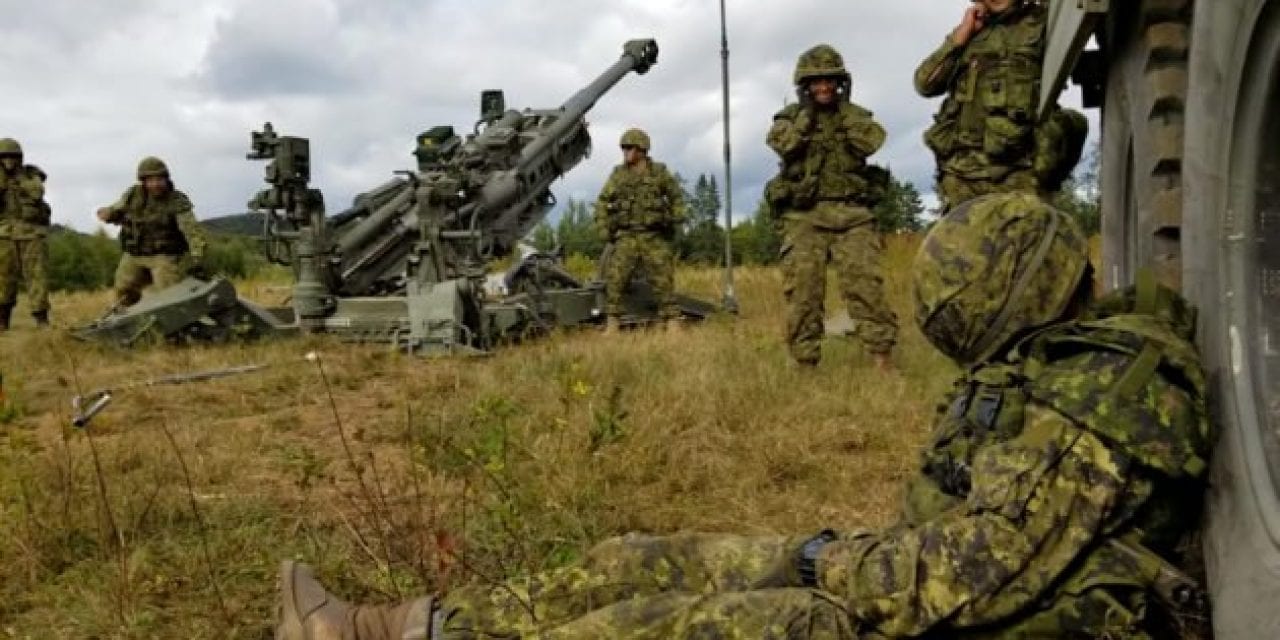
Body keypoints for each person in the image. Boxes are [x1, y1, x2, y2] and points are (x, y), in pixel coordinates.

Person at [275, 192, 1214, 639]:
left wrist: (821, 562)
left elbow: (960, 583)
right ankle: (393, 629)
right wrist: (826, 553)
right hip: (929, 588)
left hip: (969, 611)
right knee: (635, 558)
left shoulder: (1108, 391)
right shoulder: (1057, 362)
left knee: (708, 620)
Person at [765, 44, 897, 369]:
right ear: (805, 86)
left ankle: (882, 358)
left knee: (866, 287)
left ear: (840, 83)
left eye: (829, 80)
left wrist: (845, 113)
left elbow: (870, 142)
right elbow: (784, 146)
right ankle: (805, 362)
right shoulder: (790, 119)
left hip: (853, 215)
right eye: (816, 81)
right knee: (804, 294)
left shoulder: (855, 116)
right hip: (805, 217)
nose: (823, 87)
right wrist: (807, 117)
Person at [915, 0, 1089, 211]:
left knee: (1030, 240)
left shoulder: (1043, 21)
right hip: (962, 178)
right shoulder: (969, 34)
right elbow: (925, 84)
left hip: (1019, 175)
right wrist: (958, 39)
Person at [593, 128, 685, 332]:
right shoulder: (618, 175)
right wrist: (603, 228)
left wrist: (676, 216)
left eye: (629, 148)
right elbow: (602, 202)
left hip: (653, 235)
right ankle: (612, 323)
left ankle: (671, 320)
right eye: (623, 148)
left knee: (663, 278)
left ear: (642, 150)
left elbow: (676, 196)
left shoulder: (659, 172)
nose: (625, 152)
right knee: (615, 279)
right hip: (626, 236)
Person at [96, 156, 208, 309]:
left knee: (170, 296)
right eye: (150, 180)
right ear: (143, 181)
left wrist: (198, 257)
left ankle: (176, 327)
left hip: (164, 256)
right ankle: (125, 321)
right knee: (123, 290)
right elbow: (117, 209)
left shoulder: (176, 201)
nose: (155, 184)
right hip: (135, 255)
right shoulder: (133, 194)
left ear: (165, 179)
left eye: (159, 179)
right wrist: (108, 214)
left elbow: (192, 232)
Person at [0, 137, 52, 330]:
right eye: (4, 157)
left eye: (12, 157)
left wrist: (19, 178)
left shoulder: (30, 174)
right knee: (3, 278)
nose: (9, 161)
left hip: (31, 234)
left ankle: (41, 319)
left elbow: (37, 192)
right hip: (4, 235)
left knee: (37, 277)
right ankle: (3, 320)